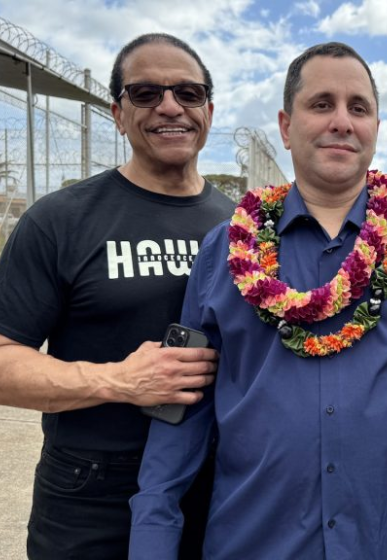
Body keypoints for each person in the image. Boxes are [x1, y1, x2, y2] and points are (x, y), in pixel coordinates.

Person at [128, 41, 387, 560]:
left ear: (375, 128)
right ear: (286, 126)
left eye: (358, 108)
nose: (341, 122)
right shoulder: (225, 251)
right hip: (254, 542)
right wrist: (152, 535)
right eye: (322, 104)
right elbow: (181, 404)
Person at [0, 33, 234, 559]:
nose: (170, 107)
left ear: (209, 111)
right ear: (118, 114)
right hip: (94, 490)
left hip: (216, 481)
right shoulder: (61, 220)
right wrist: (120, 381)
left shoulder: (244, 227)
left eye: (189, 93)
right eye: (146, 93)